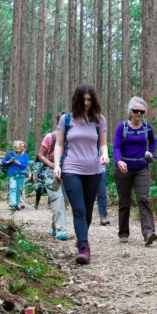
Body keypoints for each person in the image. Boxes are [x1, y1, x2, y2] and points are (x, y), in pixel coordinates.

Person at [53, 84, 109, 265]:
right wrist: (56, 166)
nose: (86, 103)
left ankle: (81, 237)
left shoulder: (99, 120)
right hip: (71, 170)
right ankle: (84, 248)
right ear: (77, 99)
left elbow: (102, 144)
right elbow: (59, 144)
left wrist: (105, 155)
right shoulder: (66, 120)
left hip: (93, 170)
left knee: (88, 212)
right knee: (79, 210)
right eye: (83, 99)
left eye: (90, 99)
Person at [113, 97, 157, 245]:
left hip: (141, 168)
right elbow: (116, 146)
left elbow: (153, 141)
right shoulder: (122, 127)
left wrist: (150, 152)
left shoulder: (147, 127)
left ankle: (148, 232)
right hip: (124, 169)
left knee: (143, 199)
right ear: (130, 112)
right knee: (124, 201)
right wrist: (118, 161)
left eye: (141, 111)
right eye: (135, 110)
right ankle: (123, 232)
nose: (138, 113)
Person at [36, 113, 69, 241]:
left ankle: (55, 225)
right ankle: (62, 231)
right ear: (57, 124)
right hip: (50, 173)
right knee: (57, 199)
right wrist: (52, 164)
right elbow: (40, 155)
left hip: (67, 172)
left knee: (66, 200)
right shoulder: (49, 137)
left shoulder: (71, 139)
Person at [1, 141, 29, 211]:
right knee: (12, 188)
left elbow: (25, 166)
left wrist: (17, 163)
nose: (23, 148)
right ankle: (13, 204)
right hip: (12, 174)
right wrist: (9, 161)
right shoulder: (11, 154)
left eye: (24, 146)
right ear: (17, 147)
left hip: (21, 174)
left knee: (18, 190)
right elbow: (3, 162)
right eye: (21, 146)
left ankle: (16, 204)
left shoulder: (25, 155)